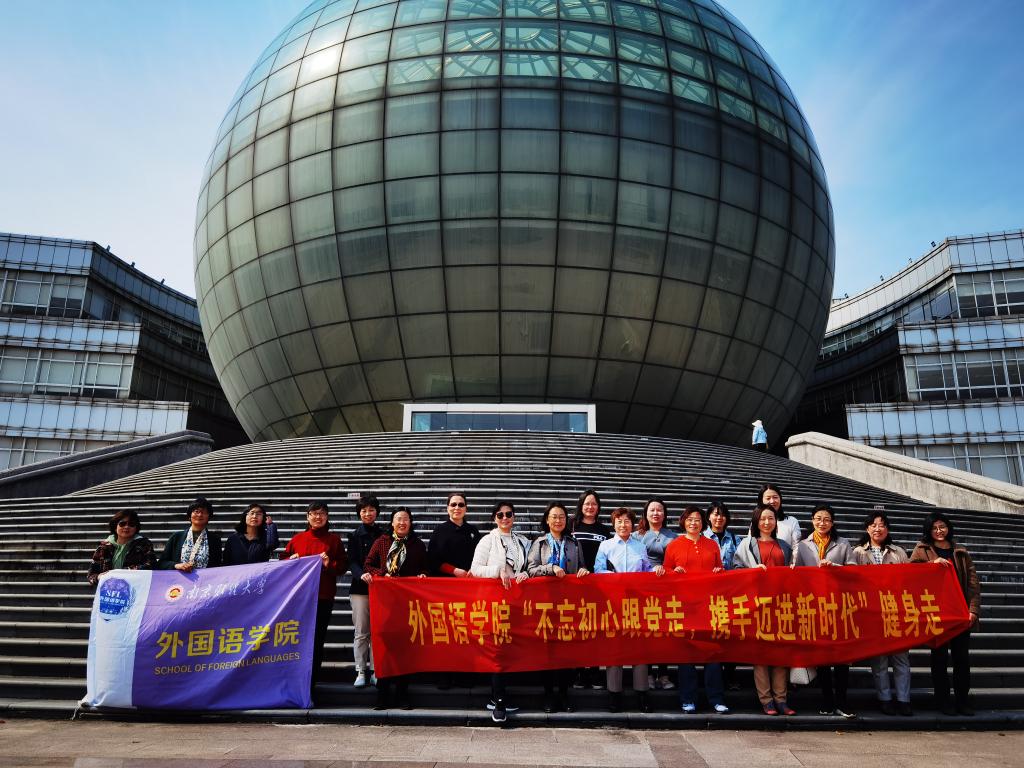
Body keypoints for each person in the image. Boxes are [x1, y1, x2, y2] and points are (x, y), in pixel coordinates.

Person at [910, 511, 980, 716]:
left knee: (962, 659)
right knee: (939, 659)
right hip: (936, 613)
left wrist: (973, 610)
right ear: (928, 530)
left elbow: (973, 584)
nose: (939, 531)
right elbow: (910, 573)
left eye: (942, 527)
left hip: (960, 613)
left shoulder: (960, 551)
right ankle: (943, 701)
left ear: (948, 528)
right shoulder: (922, 549)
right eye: (934, 528)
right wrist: (930, 565)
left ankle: (962, 701)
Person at [594, 507, 664, 712]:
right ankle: (614, 694)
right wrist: (618, 579)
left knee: (638, 649)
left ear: (632, 524)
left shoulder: (640, 546)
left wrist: (655, 570)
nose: (623, 525)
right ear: (613, 524)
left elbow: (646, 570)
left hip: (636, 604)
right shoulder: (606, 546)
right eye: (619, 521)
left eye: (626, 521)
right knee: (614, 648)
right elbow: (598, 570)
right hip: (613, 604)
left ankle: (641, 693)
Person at [791, 504, 856, 718]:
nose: (822, 523)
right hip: (815, 606)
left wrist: (835, 568)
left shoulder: (843, 543)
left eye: (827, 519)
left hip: (839, 606)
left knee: (842, 657)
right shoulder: (803, 545)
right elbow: (798, 575)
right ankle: (828, 702)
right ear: (812, 520)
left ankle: (842, 702)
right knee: (823, 656)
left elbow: (853, 571)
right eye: (818, 518)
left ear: (832, 522)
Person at [663, 505, 729, 714]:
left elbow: (720, 570)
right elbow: (665, 573)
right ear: (683, 522)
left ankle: (716, 699)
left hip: (708, 606)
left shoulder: (711, 544)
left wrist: (719, 571)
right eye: (690, 519)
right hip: (684, 606)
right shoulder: (674, 545)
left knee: (713, 653)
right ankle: (688, 699)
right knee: (687, 655)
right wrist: (673, 572)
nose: (693, 523)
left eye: (698, 520)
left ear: (703, 523)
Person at [471, 501, 531, 723]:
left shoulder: (523, 541)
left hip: (517, 603)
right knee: (497, 650)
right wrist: (498, 571)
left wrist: (526, 574)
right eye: (500, 515)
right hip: (494, 603)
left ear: (514, 516)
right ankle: (498, 700)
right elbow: (475, 569)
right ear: (494, 518)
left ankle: (504, 695)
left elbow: (529, 566)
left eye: (508, 514)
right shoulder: (487, 540)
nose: (505, 518)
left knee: (511, 649)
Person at [281, 501, 348, 703]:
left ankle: (310, 687)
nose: (318, 517)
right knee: (296, 642)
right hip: (299, 600)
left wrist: (329, 564)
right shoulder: (297, 539)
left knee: (316, 643)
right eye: (314, 513)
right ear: (307, 516)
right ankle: (292, 685)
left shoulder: (334, 540)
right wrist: (290, 561)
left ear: (327, 517)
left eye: (322, 513)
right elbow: (283, 563)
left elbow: (342, 567)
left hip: (322, 597)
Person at [527, 501, 589, 712]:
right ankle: (548, 695)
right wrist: (551, 568)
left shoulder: (574, 543)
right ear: (547, 520)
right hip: (545, 602)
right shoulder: (539, 543)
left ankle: (564, 693)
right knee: (547, 650)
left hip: (568, 604)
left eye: (562, 517)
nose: (558, 520)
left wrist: (583, 571)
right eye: (554, 516)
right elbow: (531, 569)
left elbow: (582, 566)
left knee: (566, 650)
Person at [363, 507, 428, 710]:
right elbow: (368, 564)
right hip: (385, 602)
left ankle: (402, 694)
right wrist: (382, 575)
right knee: (385, 648)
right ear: (392, 523)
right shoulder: (382, 542)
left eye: (405, 519)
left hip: (408, 603)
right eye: (398, 519)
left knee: (405, 649)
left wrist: (423, 574)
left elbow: (425, 567)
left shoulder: (417, 544)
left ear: (410, 522)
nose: (402, 522)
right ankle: (382, 694)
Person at [733, 503, 794, 715]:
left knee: (780, 653)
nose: (767, 522)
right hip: (757, 605)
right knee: (760, 655)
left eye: (771, 518)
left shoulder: (784, 545)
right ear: (756, 521)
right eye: (762, 519)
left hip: (780, 604)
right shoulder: (747, 544)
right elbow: (736, 569)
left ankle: (781, 699)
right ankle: (766, 699)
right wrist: (752, 572)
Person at [852, 511, 912, 716]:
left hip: (896, 610)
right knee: (879, 660)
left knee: (901, 658)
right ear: (867, 528)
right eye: (873, 525)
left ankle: (904, 700)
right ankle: (885, 698)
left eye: (882, 525)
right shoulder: (858, 553)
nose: (878, 529)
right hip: (873, 612)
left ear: (887, 529)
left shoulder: (898, 552)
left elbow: (910, 579)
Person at [634, 498, 678, 690]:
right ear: (646, 513)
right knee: (647, 631)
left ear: (664, 514)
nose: (656, 513)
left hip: (666, 588)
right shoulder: (636, 536)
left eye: (659, 510)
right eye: (652, 510)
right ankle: (649, 673)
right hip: (643, 588)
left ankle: (664, 674)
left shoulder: (673, 536)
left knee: (664, 632)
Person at [570, 488, 611, 689]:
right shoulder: (571, 525)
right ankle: (579, 672)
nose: (590, 507)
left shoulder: (604, 530)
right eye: (587, 503)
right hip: (574, 584)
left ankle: (594, 672)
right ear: (581, 505)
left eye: (594, 503)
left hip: (596, 586)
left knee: (595, 629)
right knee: (577, 629)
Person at [347, 493, 387, 689]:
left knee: (378, 632)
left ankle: (376, 670)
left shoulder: (384, 535)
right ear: (359, 513)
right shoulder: (354, 536)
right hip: (360, 589)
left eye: (371, 510)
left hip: (381, 589)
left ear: (377, 512)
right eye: (363, 510)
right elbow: (352, 561)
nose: (368, 513)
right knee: (362, 632)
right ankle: (361, 670)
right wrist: (361, 574)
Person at [88, 510, 156, 585]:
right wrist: (99, 577)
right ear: (115, 527)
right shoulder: (104, 547)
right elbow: (91, 575)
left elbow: (151, 566)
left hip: (136, 588)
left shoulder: (144, 544)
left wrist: (121, 573)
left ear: (136, 528)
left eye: (131, 524)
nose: (126, 527)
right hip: (109, 590)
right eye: (122, 524)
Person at [157, 497, 222, 571]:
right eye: (196, 511)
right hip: (179, 578)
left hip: (205, 578)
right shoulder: (176, 537)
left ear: (209, 516)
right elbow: (161, 563)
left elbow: (218, 567)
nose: (200, 515)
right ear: (190, 515)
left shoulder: (215, 540)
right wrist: (176, 565)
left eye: (204, 512)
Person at [428, 492, 481, 577]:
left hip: (470, 579)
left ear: (465, 508)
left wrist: (474, 569)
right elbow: (432, 559)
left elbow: (481, 556)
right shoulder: (439, 531)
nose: (457, 508)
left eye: (461, 505)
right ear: (447, 508)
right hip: (446, 581)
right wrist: (453, 570)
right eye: (453, 505)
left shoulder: (473, 530)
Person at [759, 484, 801, 550]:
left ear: (780, 499)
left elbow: (796, 548)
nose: (772, 501)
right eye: (768, 498)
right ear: (762, 500)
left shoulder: (792, 521)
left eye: (775, 497)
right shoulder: (756, 521)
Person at [703, 500, 739, 571]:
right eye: (716, 514)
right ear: (709, 517)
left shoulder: (734, 539)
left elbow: (740, 562)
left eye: (723, 515)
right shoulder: (701, 537)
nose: (719, 517)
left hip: (729, 577)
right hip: (708, 577)